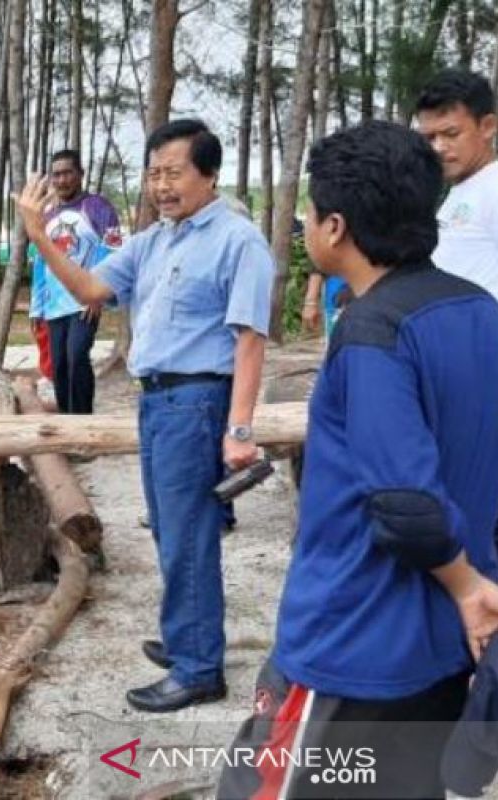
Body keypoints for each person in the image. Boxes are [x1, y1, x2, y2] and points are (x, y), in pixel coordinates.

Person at [217, 121, 498, 800]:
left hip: (357, 641)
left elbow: (407, 507)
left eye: (311, 212)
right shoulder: (481, 310)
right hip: (445, 651)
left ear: (335, 226)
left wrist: (464, 586)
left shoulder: (373, 331)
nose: (308, 225)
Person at [14, 119, 274, 713]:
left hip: (200, 402)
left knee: (188, 536)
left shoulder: (237, 241)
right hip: (154, 401)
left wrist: (239, 430)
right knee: (167, 528)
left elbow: (249, 341)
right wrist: (38, 232)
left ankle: (199, 668)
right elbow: (88, 291)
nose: (162, 185)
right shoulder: (153, 241)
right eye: (153, 173)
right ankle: (188, 638)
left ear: (209, 174)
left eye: (174, 172)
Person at [29, 149, 120, 414]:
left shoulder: (98, 208)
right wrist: (37, 307)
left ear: (80, 174)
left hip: (84, 301)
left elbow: (112, 251)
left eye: (68, 172)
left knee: (77, 356)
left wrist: (98, 293)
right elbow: (40, 263)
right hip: (54, 305)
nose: (62, 180)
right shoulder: (46, 216)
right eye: (56, 175)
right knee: (58, 365)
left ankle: (83, 422)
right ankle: (66, 423)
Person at [416, 69, 498, 298]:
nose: (438, 147)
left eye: (451, 133)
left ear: (487, 126)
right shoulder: (461, 189)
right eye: (429, 138)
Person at [28, 243, 55, 384]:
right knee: (43, 337)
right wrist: (36, 308)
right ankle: (48, 373)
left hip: (65, 301)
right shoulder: (35, 246)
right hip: (45, 302)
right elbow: (37, 278)